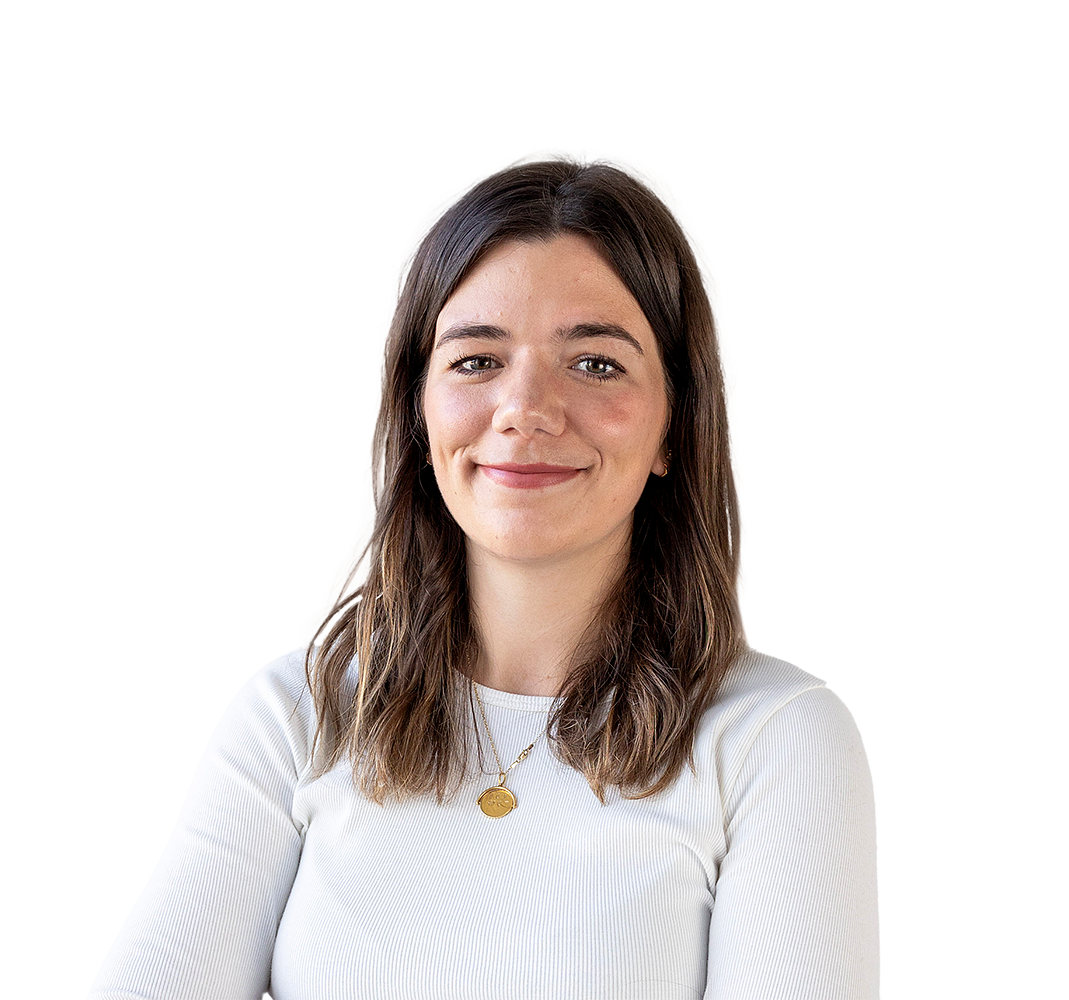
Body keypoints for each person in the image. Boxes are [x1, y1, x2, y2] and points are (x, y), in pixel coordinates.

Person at [89, 150, 879, 1000]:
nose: (525, 409)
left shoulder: (773, 739)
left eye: (596, 363)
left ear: (674, 428)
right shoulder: (301, 716)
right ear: (419, 410)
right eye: (476, 360)